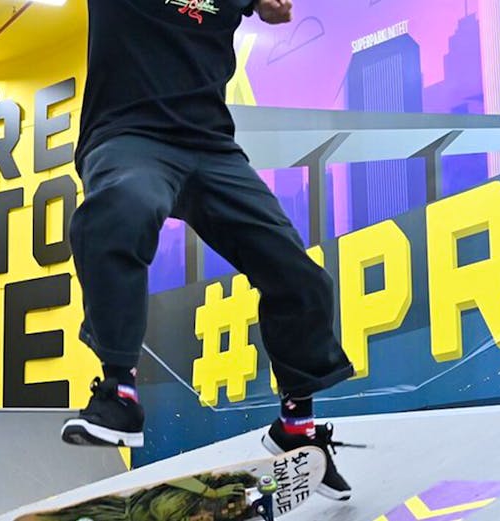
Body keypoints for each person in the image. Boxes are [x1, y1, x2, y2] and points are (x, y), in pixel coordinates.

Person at [61, 0, 357, 501]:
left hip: (212, 149)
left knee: (299, 276)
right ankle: (118, 392)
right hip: (130, 138)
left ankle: (296, 428)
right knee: (124, 207)